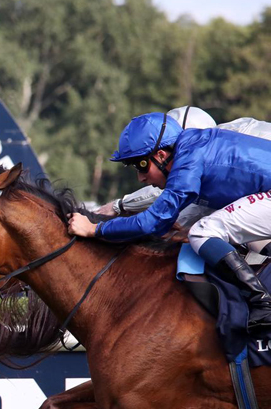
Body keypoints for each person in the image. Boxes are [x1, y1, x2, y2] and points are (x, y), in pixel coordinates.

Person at [68, 111, 271, 334]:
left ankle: (262, 302)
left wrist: (94, 229)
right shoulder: (193, 148)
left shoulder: (189, 161)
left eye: (141, 166)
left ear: (162, 155)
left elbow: (152, 222)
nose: (141, 178)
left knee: (203, 232)